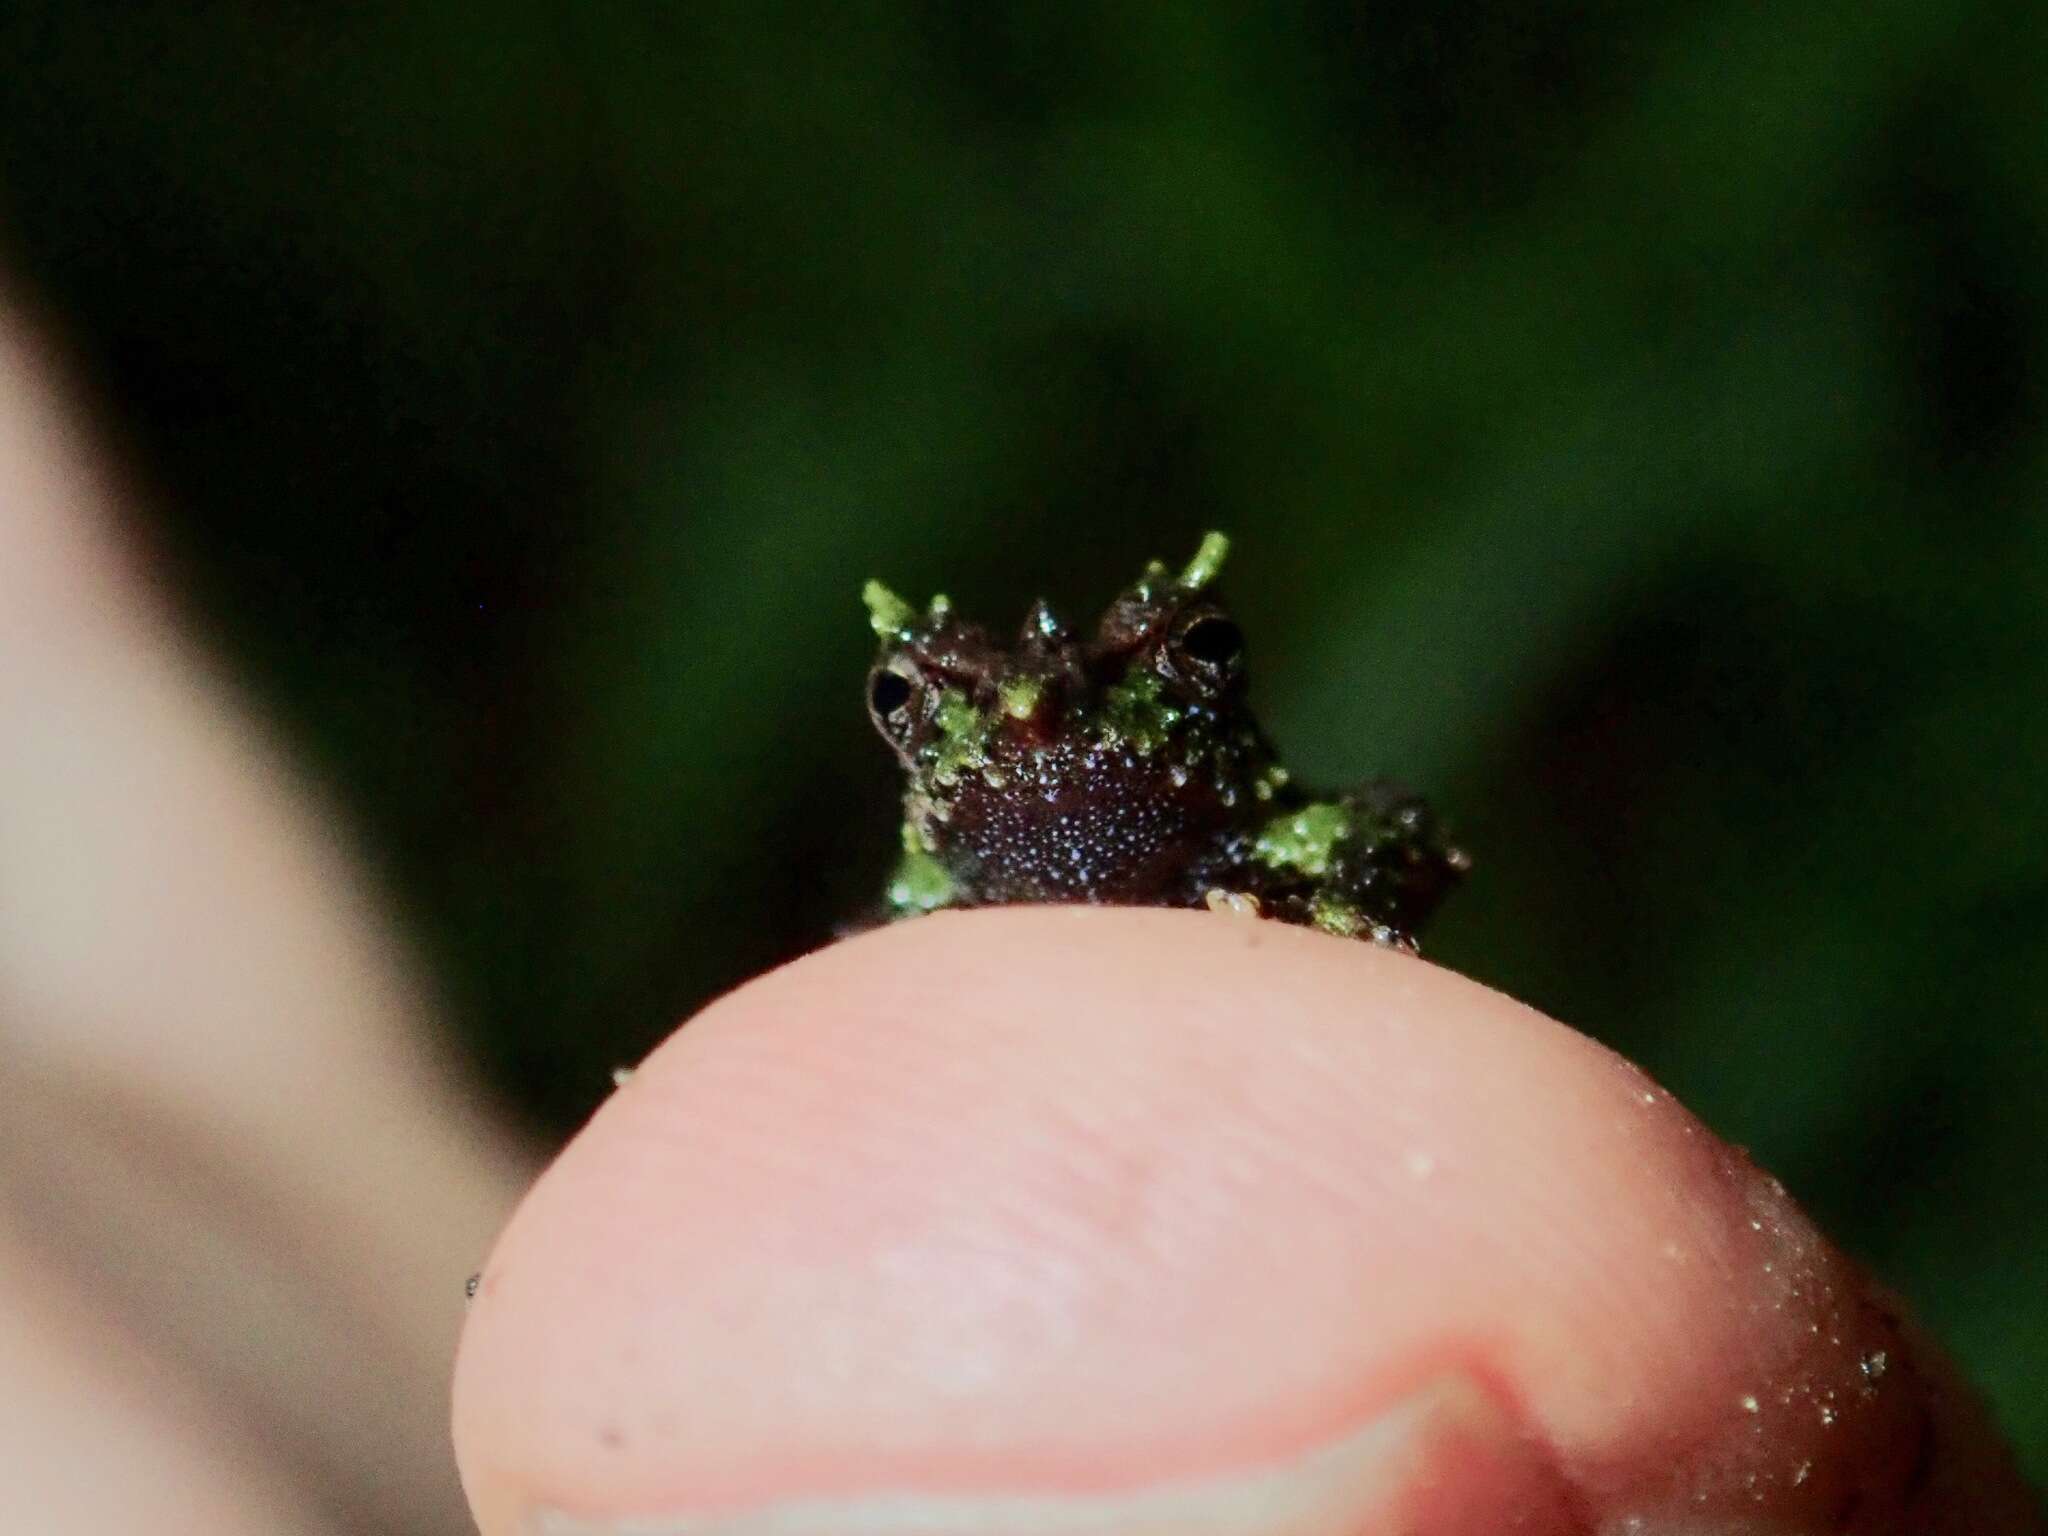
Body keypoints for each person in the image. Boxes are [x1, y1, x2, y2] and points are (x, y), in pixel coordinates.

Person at [0, 295, 2036, 1535]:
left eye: (1162, 677)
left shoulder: (1258, 838)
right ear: (906, 743)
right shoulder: (900, 933)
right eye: (930, 705)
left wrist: (1290, 897)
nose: (1044, 726)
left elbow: (1398, 833)